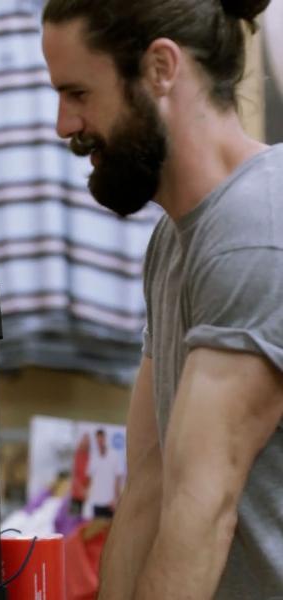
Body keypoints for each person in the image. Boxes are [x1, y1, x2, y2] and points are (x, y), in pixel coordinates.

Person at [41, 0, 283, 598]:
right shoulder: (175, 241)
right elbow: (151, 484)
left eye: (78, 93)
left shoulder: (255, 233)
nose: (63, 124)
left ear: (160, 69)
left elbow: (201, 514)